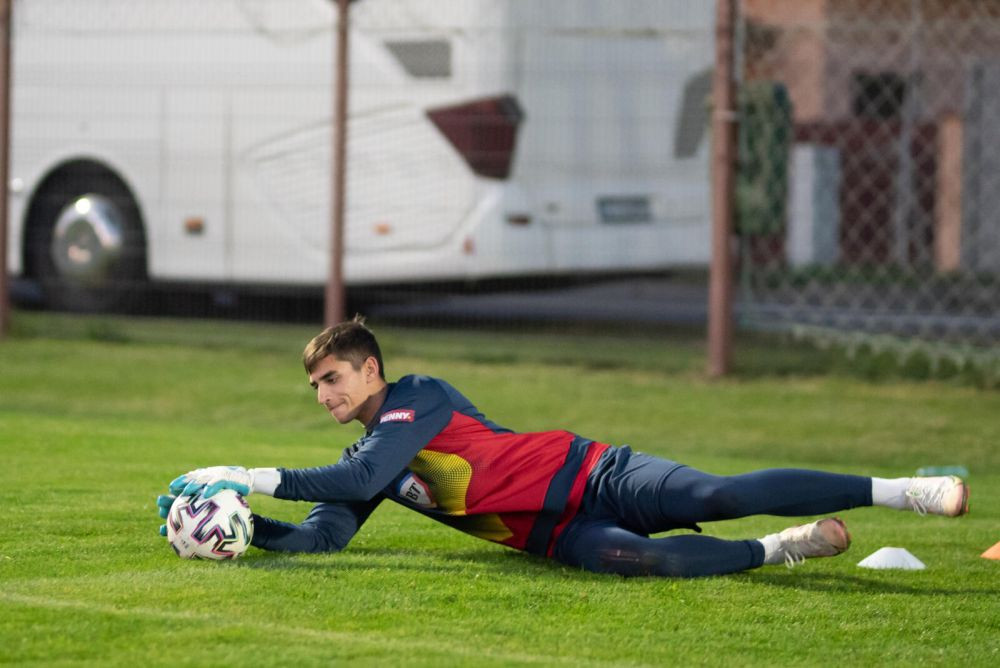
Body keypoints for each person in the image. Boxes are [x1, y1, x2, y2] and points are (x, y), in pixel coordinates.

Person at [157, 317, 970, 577]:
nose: (326, 395)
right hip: (548, 535)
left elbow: (366, 469)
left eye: (334, 378)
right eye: (317, 389)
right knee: (643, 564)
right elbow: (327, 533)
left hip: (594, 473)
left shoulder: (417, 399)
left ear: (370, 369)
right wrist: (242, 528)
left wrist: (245, 472)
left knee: (712, 495)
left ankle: (903, 489)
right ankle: (782, 548)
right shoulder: (369, 461)